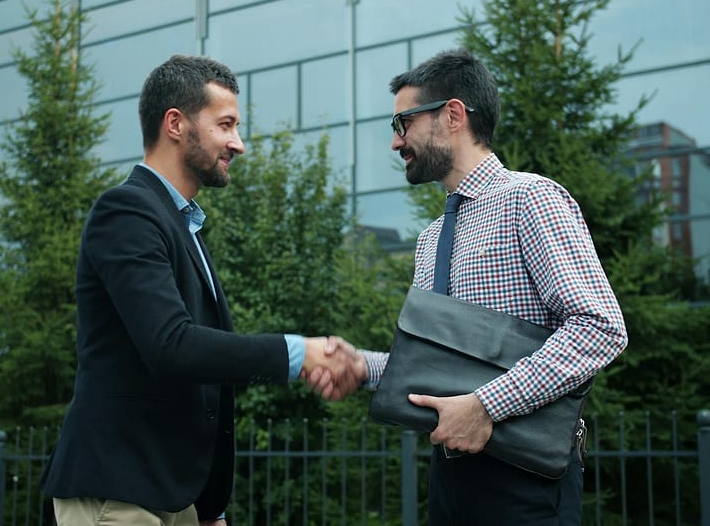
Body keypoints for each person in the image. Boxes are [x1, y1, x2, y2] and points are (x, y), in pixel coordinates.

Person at [39, 54, 365, 526]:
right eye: (226, 124)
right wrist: (300, 354)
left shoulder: (181, 224)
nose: (239, 143)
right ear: (176, 123)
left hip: (172, 500)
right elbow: (173, 347)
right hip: (116, 496)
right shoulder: (126, 212)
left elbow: (199, 384)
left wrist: (208, 507)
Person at [308, 49, 628, 525]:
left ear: (453, 115)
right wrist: (364, 367)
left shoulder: (531, 199)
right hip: (450, 477)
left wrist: (486, 406)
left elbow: (600, 327)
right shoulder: (433, 237)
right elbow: (438, 363)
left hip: (526, 483)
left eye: (403, 123)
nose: (396, 144)